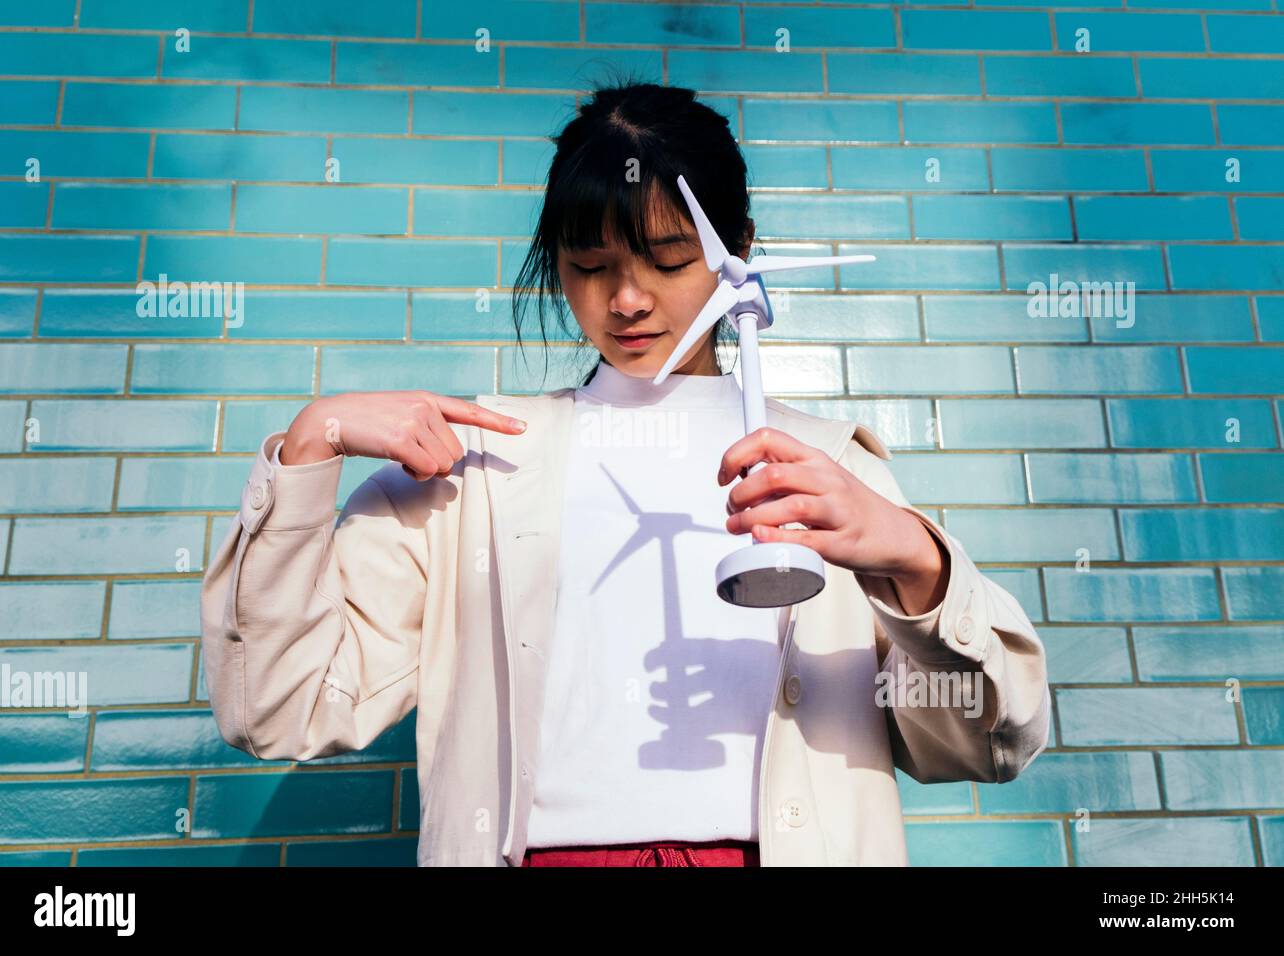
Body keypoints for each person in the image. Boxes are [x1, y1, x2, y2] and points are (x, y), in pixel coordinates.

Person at [200, 79, 1051, 868]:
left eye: (670, 259)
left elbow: (993, 742)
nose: (628, 300)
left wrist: (914, 561)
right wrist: (313, 442)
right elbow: (275, 707)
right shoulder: (479, 471)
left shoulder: (833, 468)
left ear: (737, 251)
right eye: (590, 265)